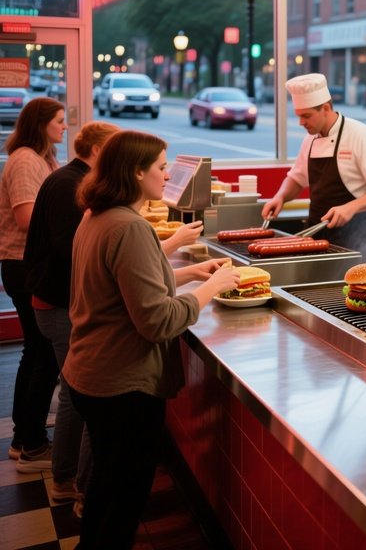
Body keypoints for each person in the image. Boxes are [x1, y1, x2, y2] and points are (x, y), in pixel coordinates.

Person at [62, 130, 240, 549]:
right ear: (137, 172)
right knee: (124, 499)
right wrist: (213, 289)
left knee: (105, 488)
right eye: (161, 167)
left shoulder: (97, 215)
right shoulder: (131, 227)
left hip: (90, 374)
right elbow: (156, 320)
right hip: (121, 384)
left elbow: (120, 287)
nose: (167, 175)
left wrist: (189, 274)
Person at [24, 121, 119, 501]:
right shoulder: (70, 184)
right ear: (97, 151)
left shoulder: (71, 177)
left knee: (72, 391)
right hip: (57, 304)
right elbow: (71, 248)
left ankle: (66, 474)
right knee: (76, 394)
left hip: (56, 301)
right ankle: (67, 481)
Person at [0, 97, 66, 469]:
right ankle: (32, 443)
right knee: (41, 353)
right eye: (59, 120)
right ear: (40, 124)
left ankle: (23, 436)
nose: (64, 126)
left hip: (28, 265)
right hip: (23, 267)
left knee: (36, 351)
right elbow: (28, 218)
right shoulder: (26, 160)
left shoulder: (42, 157)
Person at [261, 73, 366, 251]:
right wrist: (280, 197)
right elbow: (297, 178)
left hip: (356, 240)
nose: (301, 122)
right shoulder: (310, 139)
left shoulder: (360, 135)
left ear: (325, 108)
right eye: (298, 116)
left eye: (306, 116)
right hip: (316, 237)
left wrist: (351, 207)